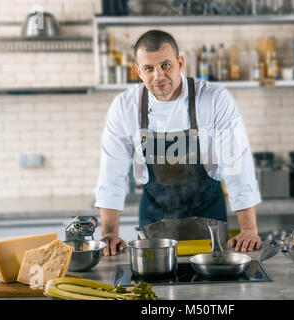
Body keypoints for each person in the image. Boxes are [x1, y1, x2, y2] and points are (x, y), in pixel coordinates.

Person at [95, 30, 262, 256]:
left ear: (180, 63)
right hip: (154, 225)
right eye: (149, 68)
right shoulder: (125, 107)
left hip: (209, 221)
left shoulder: (213, 98)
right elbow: (111, 172)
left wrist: (249, 229)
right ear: (138, 71)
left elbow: (237, 164)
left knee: (216, 288)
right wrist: (109, 232)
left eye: (165, 65)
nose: (158, 76)